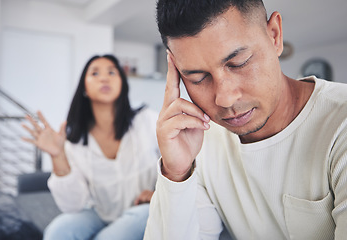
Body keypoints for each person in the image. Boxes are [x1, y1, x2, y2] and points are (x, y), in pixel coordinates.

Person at [144, 0, 347, 239]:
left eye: (239, 63)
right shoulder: (198, 143)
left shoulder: (339, 123)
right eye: (198, 78)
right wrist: (177, 174)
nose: (225, 99)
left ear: (275, 35)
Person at [22, 54, 160, 240]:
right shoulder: (73, 140)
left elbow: (177, 162)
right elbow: (72, 206)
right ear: (84, 88)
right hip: (98, 213)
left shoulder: (147, 120)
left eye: (112, 72)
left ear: (122, 84)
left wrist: (160, 194)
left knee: (140, 218)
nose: (104, 78)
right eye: (95, 73)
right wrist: (57, 155)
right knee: (58, 231)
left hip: (142, 210)